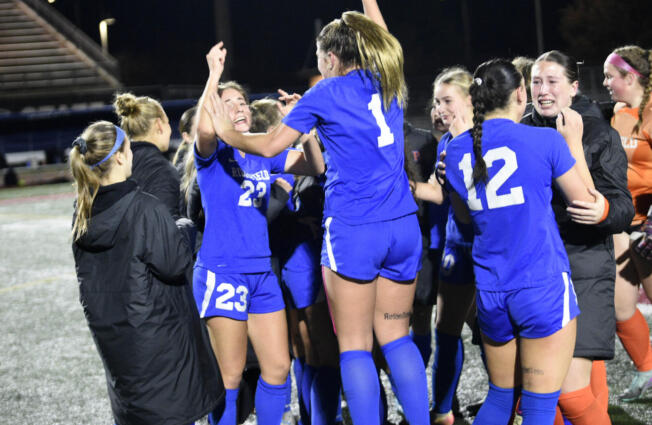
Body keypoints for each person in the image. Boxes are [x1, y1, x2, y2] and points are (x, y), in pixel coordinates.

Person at [204, 1, 429, 424]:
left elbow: (271, 146)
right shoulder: (387, 77)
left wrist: (226, 133)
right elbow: (386, 39)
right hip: (403, 226)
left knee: (356, 346)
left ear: (329, 57)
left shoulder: (324, 92)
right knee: (397, 337)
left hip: (355, 231)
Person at [443, 58, 595, 425]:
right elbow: (585, 201)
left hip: (492, 290)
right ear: (520, 93)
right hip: (540, 283)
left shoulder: (457, 149)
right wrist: (572, 142)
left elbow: (464, 219)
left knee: (499, 399)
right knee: (540, 407)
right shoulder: (543, 138)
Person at [193, 42, 324, 425]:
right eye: (228, 103)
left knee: (278, 368)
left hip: (262, 274)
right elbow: (203, 127)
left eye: (243, 102)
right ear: (217, 112)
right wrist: (214, 76)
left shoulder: (264, 150)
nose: (239, 107)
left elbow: (315, 167)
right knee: (230, 375)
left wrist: (302, 129)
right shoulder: (213, 155)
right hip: (224, 270)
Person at [69, 121, 221, 425]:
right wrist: (185, 229)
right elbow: (175, 262)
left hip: (120, 345)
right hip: (160, 346)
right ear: (122, 157)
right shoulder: (144, 208)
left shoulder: (81, 212)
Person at [522, 50, 633, 424]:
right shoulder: (520, 129)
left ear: (572, 87)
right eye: (537, 81)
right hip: (533, 269)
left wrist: (603, 211)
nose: (543, 90)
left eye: (553, 81)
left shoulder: (599, 131)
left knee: (571, 393)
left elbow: (623, 208)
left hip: (582, 264)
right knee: (542, 395)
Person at [413, 67, 476, 425]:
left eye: (447, 100)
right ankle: (443, 411)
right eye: (436, 101)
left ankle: (514, 403)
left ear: (470, 100)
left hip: (491, 247)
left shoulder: (489, 137)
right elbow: (439, 193)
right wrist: (404, 186)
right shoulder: (446, 142)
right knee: (446, 328)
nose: (439, 108)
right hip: (455, 244)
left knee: (493, 332)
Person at [603, 45, 652, 401]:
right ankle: (648, 370)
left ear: (630, 77)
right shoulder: (619, 112)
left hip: (649, 224)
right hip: (624, 222)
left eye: (610, 76)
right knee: (620, 306)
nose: (604, 82)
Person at [113, 93, 181, 218]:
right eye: (168, 123)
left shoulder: (111, 166)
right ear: (159, 125)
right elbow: (164, 230)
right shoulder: (163, 171)